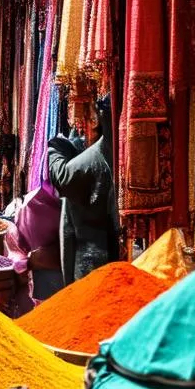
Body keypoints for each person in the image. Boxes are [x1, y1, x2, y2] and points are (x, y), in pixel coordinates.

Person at [47, 95, 119, 285]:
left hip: (92, 262)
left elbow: (62, 177)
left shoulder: (100, 155)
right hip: (108, 257)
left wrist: (55, 148)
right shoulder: (106, 152)